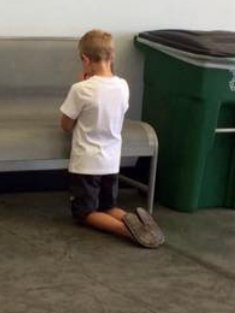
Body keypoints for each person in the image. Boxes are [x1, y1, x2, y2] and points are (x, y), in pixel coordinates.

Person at [59, 30, 165, 248]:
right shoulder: (123, 86)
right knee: (107, 206)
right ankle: (139, 222)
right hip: (111, 160)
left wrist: (82, 84)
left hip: (87, 163)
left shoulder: (80, 89)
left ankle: (126, 230)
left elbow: (66, 124)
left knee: (84, 212)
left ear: (85, 60)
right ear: (112, 57)